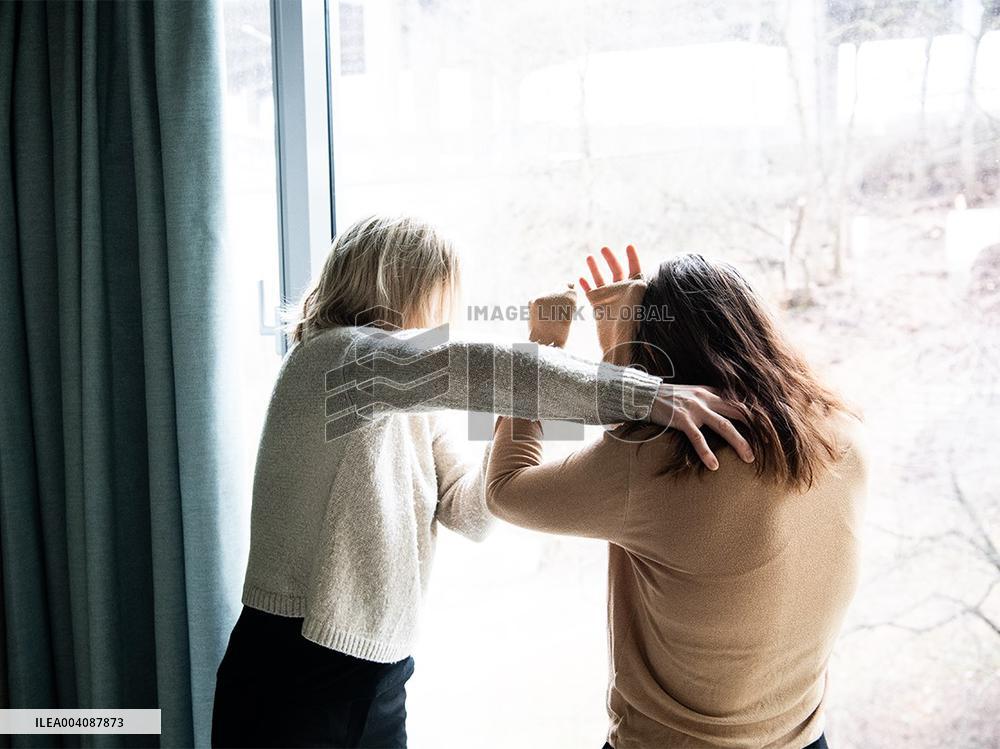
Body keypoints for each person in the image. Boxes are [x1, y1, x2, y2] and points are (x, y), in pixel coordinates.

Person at [210, 216, 754, 748]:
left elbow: (471, 514)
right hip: (295, 663)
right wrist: (644, 393)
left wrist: (548, 352)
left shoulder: (404, 401)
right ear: (397, 287)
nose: (446, 314)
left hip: (380, 674)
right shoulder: (334, 358)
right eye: (440, 293)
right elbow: (465, 368)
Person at [487, 246, 867, 749]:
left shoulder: (656, 466)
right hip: (804, 739)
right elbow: (635, 441)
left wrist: (539, 348)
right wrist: (623, 341)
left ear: (661, 353)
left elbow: (506, 488)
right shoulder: (841, 437)